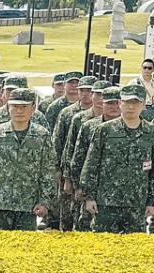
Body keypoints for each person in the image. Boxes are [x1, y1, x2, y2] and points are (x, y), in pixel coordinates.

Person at [0, 88, 55, 231]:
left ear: (33, 108)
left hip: (28, 207)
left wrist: (44, 202)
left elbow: (48, 171)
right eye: (15, 106)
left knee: (24, 249)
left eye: (24, 107)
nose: (19, 111)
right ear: (8, 107)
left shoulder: (43, 136)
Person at [81, 84, 154, 233]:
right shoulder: (104, 130)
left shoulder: (150, 132)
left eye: (135, 103)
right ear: (120, 104)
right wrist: (89, 197)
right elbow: (91, 164)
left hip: (136, 203)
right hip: (105, 202)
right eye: (127, 102)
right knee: (102, 248)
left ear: (143, 105)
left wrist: (151, 201)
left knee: (133, 249)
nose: (131, 107)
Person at [51, 75, 98, 230]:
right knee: (67, 216)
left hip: (90, 175)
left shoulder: (104, 116)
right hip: (69, 171)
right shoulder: (67, 113)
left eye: (89, 91)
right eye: (82, 90)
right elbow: (60, 144)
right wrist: (60, 172)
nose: (85, 94)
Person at [70, 85, 120, 231]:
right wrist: (78, 186)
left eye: (117, 102)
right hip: (91, 190)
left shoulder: (131, 127)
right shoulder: (89, 126)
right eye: (109, 103)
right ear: (102, 104)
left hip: (120, 193)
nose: (114, 107)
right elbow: (78, 159)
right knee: (86, 230)